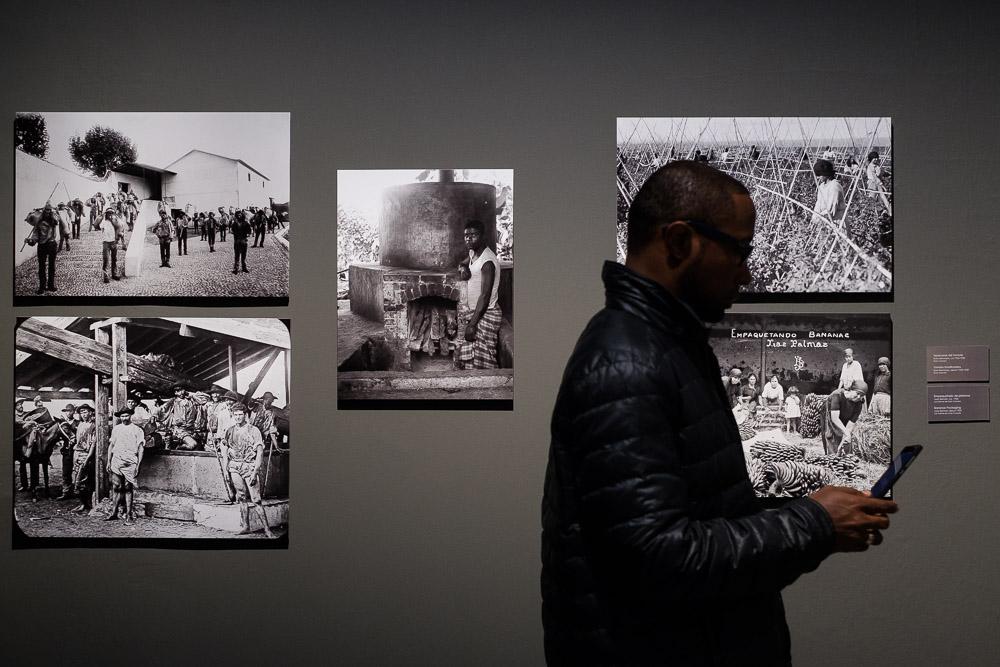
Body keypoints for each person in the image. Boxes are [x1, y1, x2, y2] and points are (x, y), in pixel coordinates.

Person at [541, 160, 897, 666]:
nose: (748, 271)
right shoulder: (627, 361)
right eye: (739, 250)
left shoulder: (663, 345)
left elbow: (695, 517)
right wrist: (814, 523)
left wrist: (808, 511)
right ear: (681, 241)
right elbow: (660, 558)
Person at [220, 403, 275, 537]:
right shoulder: (229, 431)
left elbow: (260, 453)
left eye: (240, 414)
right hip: (234, 466)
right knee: (241, 497)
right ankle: (245, 526)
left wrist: (255, 471)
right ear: (232, 415)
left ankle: (267, 529)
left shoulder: (253, 430)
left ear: (245, 415)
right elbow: (225, 450)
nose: (238, 417)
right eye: (235, 414)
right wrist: (226, 469)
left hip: (249, 466)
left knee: (256, 499)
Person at [454, 220, 502, 369]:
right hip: (476, 311)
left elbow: (485, 297)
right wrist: (463, 269)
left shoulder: (487, 262)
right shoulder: (473, 253)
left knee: (482, 359)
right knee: (470, 356)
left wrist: (472, 325)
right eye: (466, 236)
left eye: (473, 235)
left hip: (487, 312)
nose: (468, 239)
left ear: (482, 236)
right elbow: (462, 263)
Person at [105, 408, 145, 525]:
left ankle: (128, 515)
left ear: (130, 416)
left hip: (130, 461)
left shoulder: (137, 430)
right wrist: (109, 461)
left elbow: (141, 449)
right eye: (122, 416)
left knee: (128, 488)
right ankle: (114, 513)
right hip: (117, 460)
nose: (124, 418)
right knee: (116, 487)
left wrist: (138, 465)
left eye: (126, 416)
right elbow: (111, 445)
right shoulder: (116, 429)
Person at [822, 380, 867, 455]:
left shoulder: (859, 404)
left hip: (845, 416)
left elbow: (850, 426)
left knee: (846, 440)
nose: (859, 397)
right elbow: (835, 419)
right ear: (851, 390)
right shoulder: (837, 395)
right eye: (857, 393)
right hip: (831, 414)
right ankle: (831, 456)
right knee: (831, 435)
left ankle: (843, 455)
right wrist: (846, 432)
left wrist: (845, 439)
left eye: (862, 395)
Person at [24, 202, 60, 293]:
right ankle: (42, 287)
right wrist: (30, 241)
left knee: (52, 266)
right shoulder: (38, 223)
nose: (48, 212)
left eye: (49, 210)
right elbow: (35, 236)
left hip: (52, 245)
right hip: (42, 246)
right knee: (41, 267)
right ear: (43, 211)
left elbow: (57, 218)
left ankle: (51, 285)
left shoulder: (53, 221)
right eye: (46, 210)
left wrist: (55, 210)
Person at [70, 404, 97, 513]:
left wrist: (88, 458)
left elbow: (93, 444)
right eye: (81, 412)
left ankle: (87, 504)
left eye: (85, 412)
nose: (84, 414)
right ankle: (82, 503)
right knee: (76, 478)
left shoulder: (94, 426)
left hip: (86, 454)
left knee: (84, 479)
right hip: (77, 453)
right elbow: (77, 441)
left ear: (90, 412)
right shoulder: (80, 425)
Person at [162, 383, 201, 450]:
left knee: (199, 447)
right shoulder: (173, 401)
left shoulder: (191, 401)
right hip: (179, 431)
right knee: (193, 444)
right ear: (175, 393)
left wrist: (190, 394)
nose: (181, 392)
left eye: (182, 390)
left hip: (191, 430)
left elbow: (204, 399)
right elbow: (162, 409)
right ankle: (178, 448)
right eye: (178, 391)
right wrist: (154, 416)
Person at [812, 158, 847, 231]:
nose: (818, 177)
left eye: (820, 175)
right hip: (825, 220)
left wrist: (819, 218)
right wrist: (814, 217)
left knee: (837, 240)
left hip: (836, 221)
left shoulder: (834, 186)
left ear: (826, 174)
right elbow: (818, 203)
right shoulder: (822, 186)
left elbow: (831, 209)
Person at [55, 404, 80, 500]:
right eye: (66, 411)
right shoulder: (62, 424)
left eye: (70, 411)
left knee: (79, 471)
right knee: (66, 472)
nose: (68, 413)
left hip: (77, 450)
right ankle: (66, 492)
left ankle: (78, 492)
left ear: (74, 412)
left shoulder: (78, 423)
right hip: (66, 451)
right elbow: (57, 436)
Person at [100, 209, 122, 283]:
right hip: (106, 242)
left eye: (111, 213)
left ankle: (114, 274)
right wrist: (103, 217)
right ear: (106, 214)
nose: (110, 215)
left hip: (114, 242)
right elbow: (100, 227)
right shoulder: (104, 222)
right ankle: (105, 276)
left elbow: (120, 228)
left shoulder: (116, 222)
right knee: (106, 259)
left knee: (114, 259)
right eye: (108, 213)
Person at [231, 209, 252, 274]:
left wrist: (247, 235)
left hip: (243, 241)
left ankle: (244, 268)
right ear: (236, 216)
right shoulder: (234, 224)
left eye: (240, 214)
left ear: (242, 215)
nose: (239, 216)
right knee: (237, 255)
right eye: (238, 215)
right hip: (237, 241)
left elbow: (249, 231)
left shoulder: (246, 223)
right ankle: (236, 268)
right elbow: (232, 231)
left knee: (243, 255)